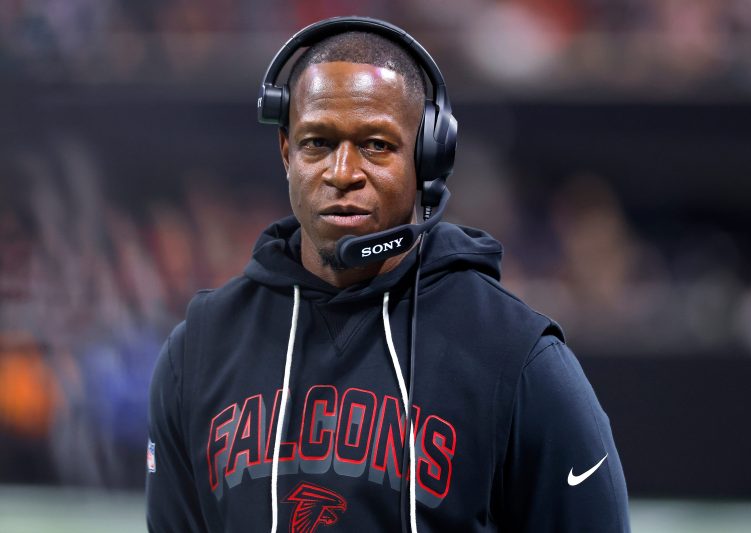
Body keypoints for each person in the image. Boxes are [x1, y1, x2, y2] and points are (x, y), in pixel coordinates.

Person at [146, 16, 630, 533]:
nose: (342, 172)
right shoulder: (198, 351)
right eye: (317, 142)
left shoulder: (518, 358)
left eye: (376, 144)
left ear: (427, 158)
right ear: (286, 151)